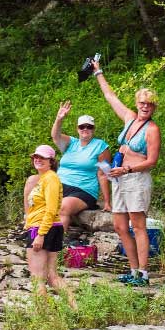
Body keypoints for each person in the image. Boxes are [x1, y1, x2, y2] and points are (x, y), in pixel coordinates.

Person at [92, 56, 161, 286]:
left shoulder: (152, 130)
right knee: (120, 226)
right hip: (119, 179)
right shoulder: (130, 118)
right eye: (142, 102)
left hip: (137, 178)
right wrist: (98, 72)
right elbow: (110, 96)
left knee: (137, 224)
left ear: (153, 107)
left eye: (149, 104)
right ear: (137, 103)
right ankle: (132, 270)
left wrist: (128, 168)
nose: (144, 106)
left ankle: (143, 273)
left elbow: (152, 160)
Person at [49, 101, 112, 236]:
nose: (85, 129)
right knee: (33, 185)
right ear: (77, 129)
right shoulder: (71, 143)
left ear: (93, 129)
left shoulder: (100, 146)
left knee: (63, 207)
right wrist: (59, 119)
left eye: (89, 127)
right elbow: (55, 136)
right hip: (60, 184)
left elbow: (104, 174)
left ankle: (56, 247)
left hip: (83, 189)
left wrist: (107, 202)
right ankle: (31, 232)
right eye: (82, 126)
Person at [24, 144, 73, 301]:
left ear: (51, 161)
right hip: (49, 227)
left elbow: (51, 210)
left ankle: (44, 317)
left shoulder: (51, 179)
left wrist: (40, 234)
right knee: (51, 277)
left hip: (43, 228)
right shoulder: (44, 178)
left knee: (38, 278)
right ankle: (77, 311)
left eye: (42, 157)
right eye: (36, 157)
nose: (38, 160)